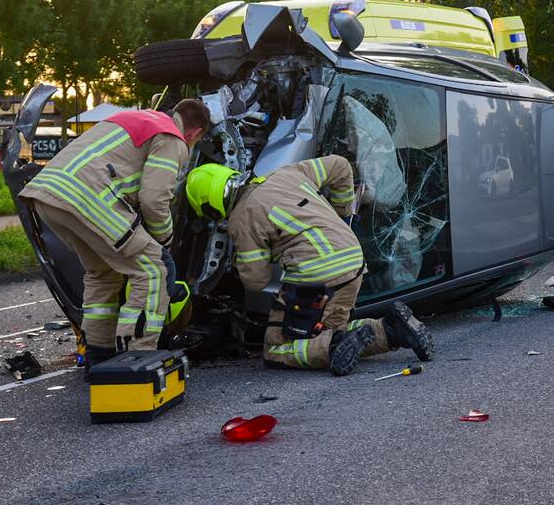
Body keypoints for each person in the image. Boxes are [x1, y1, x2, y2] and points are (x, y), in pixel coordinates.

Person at [185, 157, 433, 376]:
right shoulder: (285, 173)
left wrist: (266, 253)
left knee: (276, 346)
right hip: (353, 261)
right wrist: (342, 214)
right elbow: (340, 166)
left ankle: (334, 345)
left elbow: (256, 281)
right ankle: (392, 329)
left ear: (210, 205)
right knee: (330, 326)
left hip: (317, 275)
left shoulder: (241, 217)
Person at [19, 100, 211, 367]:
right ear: (196, 133)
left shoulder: (136, 119)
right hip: (89, 199)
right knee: (154, 269)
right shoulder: (172, 137)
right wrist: (165, 240)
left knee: (102, 273)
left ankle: (99, 357)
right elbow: (154, 201)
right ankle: (138, 357)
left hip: (49, 196)